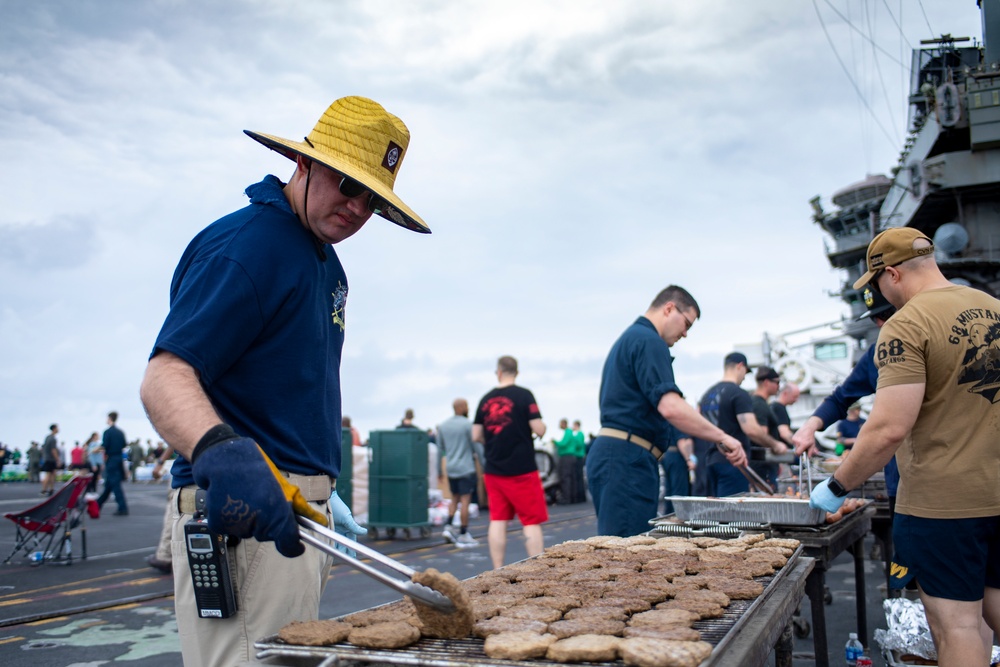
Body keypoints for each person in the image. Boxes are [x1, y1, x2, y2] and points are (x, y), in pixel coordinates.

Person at [138, 95, 421, 667]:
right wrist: (221, 451)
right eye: (347, 182)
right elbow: (165, 376)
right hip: (243, 516)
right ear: (304, 164)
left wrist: (320, 483)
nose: (356, 206)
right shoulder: (250, 247)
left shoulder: (321, 258)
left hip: (299, 513)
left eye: (373, 198)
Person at [809, 227, 1000, 666]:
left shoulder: (906, 324)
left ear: (891, 274)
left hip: (944, 505)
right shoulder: (994, 309)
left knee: (960, 628)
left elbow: (888, 428)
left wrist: (836, 487)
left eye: (875, 284)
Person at [587, 287, 746, 537]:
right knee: (627, 556)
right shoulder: (650, 341)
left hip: (620, 456)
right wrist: (722, 437)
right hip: (625, 459)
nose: (685, 333)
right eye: (686, 325)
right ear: (669, 308)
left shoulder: (633, 338)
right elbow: (671, 407)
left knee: (624, 550)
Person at [472, 355, 548, 568]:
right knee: (530, 521)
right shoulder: (524, 395)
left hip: (494, 468)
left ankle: (497, 569)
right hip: (522, 468)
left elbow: (476, 434)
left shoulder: (485, 399)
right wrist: (543, 430)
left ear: (498, 372)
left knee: (497, 520)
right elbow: (538, 428)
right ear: (517, 372)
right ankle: (537, 569)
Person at [695, 353, 785, 498]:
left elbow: (698, 424)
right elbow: (751, 429)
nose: (744, 377)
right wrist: (775, 445)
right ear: (740, 366)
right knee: (732, 515)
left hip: (710, 461)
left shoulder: (707, 394)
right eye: (745, 372)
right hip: (733, 462)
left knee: (713, 514)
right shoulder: (738, 393)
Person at [436, 398, 483, 547]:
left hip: (451, 468)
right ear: (461, 407)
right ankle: (463, 533)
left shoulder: (443, 426)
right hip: (466, 468)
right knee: (465, 501)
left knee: (454, 498)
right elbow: (477, 447)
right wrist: (485, 466)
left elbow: (439, 450)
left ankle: (448, 527)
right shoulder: (468, 425)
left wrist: (439, 470)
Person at [748, 366, 788, 487]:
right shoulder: (759, 404)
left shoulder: (759, 403)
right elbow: (760, 435)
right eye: (777, 382)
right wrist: (777, 446)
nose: (779, 386)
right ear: (766, 382)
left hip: (764, 464)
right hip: (762, 466)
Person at [147, 445, 176, 574]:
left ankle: (165, 555)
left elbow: (175, 438)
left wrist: (160, 462)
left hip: (189, 466)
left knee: (175, 509)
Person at [96, 411, 129, 516]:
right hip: (119, 458)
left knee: (115, 484)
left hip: (112, 459)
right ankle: (98, 503)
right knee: (110, 484)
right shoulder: (120, 432)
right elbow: (124, 444)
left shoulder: (107, 432)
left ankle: (122, 507)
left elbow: (105, 445)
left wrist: (96, 450)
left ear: (110, 418)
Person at [659, 423, 694, 515]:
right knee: (679, 492)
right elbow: (681, 441)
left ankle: (668, 518)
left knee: (669, 491)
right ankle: (679, 518)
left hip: (666, 455)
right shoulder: (679, 420)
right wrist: (688, 459)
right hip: (676, 455)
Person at [552, 418, 577, 505]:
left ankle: (566, 498)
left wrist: (554, 442)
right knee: (570, 477)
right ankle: (572, 498)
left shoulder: (568, 432)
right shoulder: (570, 432)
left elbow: (563, 443)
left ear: (564, 424)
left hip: (566, 457)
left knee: (565, 477)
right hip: (570, 457)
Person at [770, 382, 800, 446]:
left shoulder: (773, 406)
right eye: (794, 397)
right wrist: (799, 444)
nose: (796, 400)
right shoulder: (779, 409)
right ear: (785, 394)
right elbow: (784, 433)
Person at [40, 424, 61, 496]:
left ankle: (51, 489)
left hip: (47, 458)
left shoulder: (47, 437)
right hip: (50, 459)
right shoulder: (53, 439)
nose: (59, 429)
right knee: (49, 475)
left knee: (52, 474)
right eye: (57, 428)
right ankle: (44, 490)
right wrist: (58, 459)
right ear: (54, 429)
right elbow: (53, 450)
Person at [570, 420, 587, 503]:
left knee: (579, 478)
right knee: (579, 478)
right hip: (579, 456)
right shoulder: (580, 434)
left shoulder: (579, 434)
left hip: (579, 457)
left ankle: (580, 497)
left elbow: (579, 444)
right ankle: (580, 496)